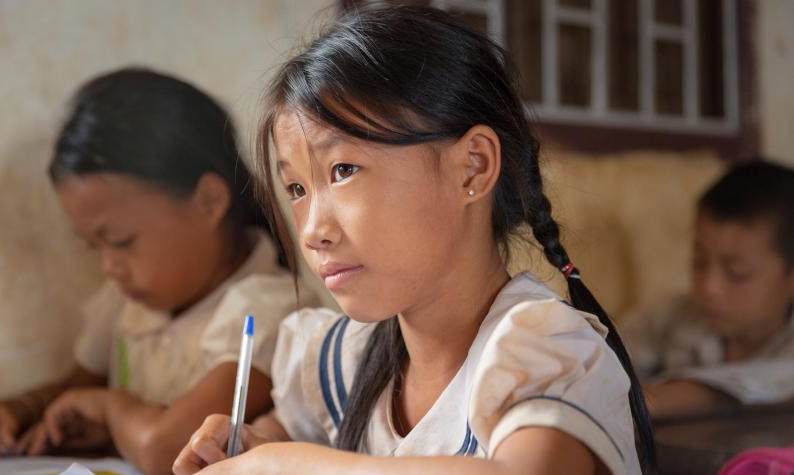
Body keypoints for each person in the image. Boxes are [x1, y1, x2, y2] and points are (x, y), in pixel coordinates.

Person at [174, 6, 653, 475]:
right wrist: (255, 445)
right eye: (296, 189)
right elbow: (284, 434)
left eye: (343, 170)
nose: (313, 230)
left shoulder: (545, 349)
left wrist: (282, 465)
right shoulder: (347, 361)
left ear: (473, 167)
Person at [0, 68, 316, 475]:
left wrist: (110, 409)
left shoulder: (266, 311)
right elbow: (74, 390)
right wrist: (12, 411)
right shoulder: (128, 301)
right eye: (93, 246)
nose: (108, 267)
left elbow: (166, 449)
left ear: (209, 201)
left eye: (121, 241)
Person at [621, 161, 794, 420]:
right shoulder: (672, 316)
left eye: (737, 273)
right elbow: (602, 359)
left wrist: (656, 400)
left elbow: (777, 379)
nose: (709, 287)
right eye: (699, 262)